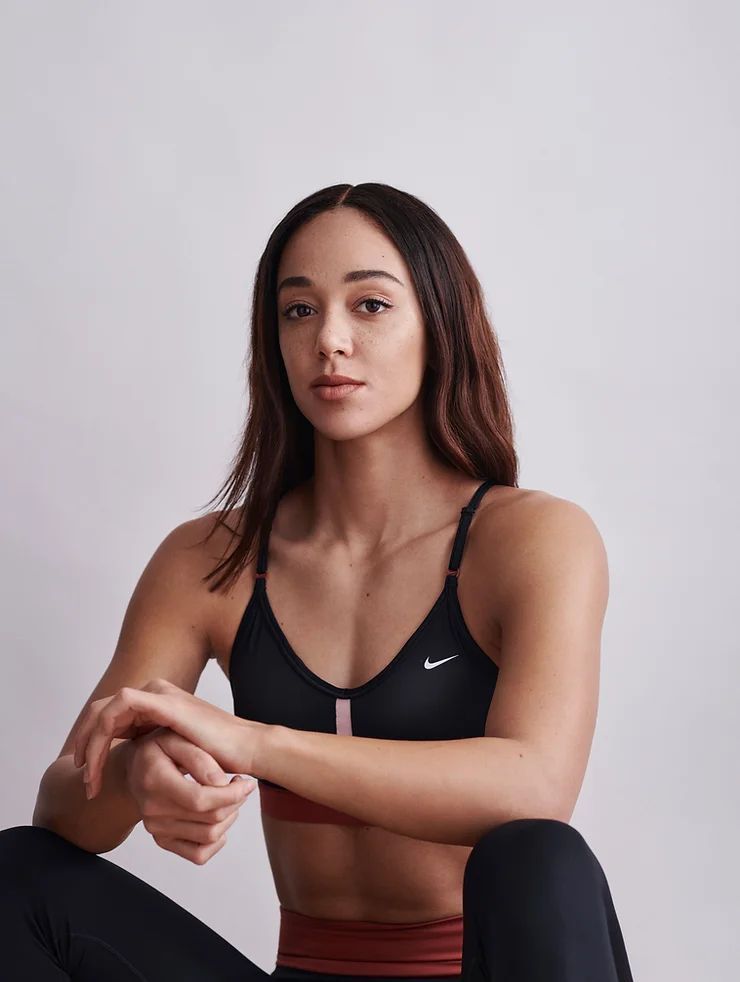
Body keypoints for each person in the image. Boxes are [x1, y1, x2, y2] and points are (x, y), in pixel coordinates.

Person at [0, 182, 635, 980]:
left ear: (437, 325)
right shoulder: (212, 558)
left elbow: (535, 786)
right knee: (16, 875)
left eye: (369, 305)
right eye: (299, 310)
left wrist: (254, 743)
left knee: (541, 858)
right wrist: (134, 771)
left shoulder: (533, 539)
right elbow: (62, 809)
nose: (329, 339)